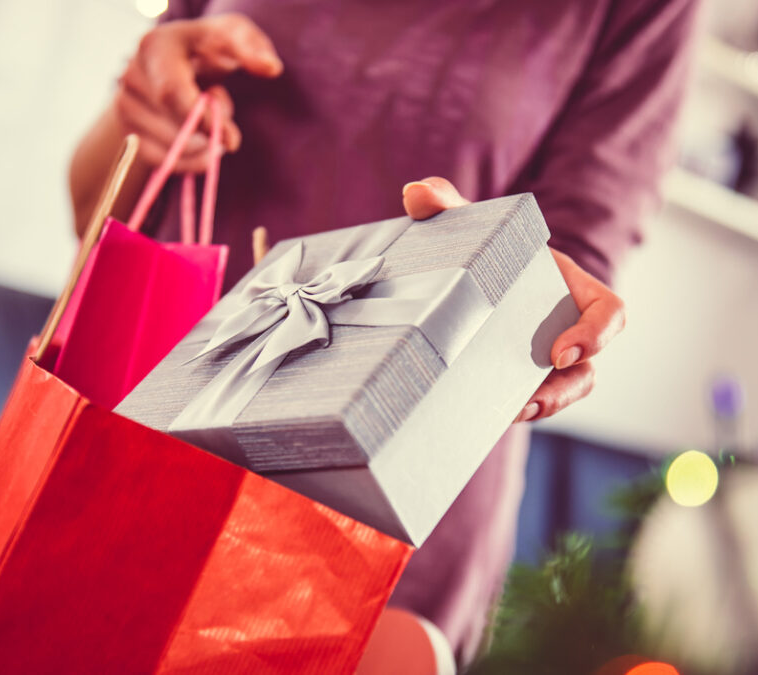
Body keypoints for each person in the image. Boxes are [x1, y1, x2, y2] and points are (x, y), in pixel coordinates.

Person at [70, 1, 697, 665]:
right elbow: (94, 218)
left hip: (385, 510)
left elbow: (571, 273)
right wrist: (141, 109)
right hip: (148, 455)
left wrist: (509, 278)